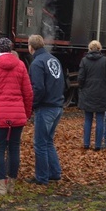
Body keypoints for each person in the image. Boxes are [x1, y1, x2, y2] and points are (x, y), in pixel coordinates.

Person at [0, 37, 33, 196]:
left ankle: (1, 185)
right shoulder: (20, 65)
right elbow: (28, 93)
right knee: (14, 148)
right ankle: (12, 183)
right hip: (17, 113)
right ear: (10, 49)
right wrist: (26, 112)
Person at [27, 34, 64, 186]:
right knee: (48, 141)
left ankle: (42, 177)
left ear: (31, 47)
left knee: (40, 143)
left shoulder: (37, 63)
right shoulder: (53, 59)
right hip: (57, 105)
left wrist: (32, 104)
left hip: (46, 107)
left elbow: (38, 88)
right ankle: (54, 172)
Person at [77, 40, 106, 150]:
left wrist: (83, 88)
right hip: (102, 93)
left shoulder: (84, 61)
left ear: (89, 49)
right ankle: (98, 145)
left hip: (88, 92)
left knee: (88, 119)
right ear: (99, 49)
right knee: (100, 119)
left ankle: (86, 144)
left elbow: (80, 78)